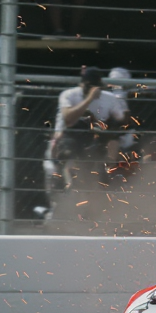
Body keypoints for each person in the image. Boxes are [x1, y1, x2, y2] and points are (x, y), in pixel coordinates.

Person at [49, 66, 129, 219]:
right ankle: (65, 205)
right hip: (67, 142)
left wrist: (120, 100)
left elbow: (120, 123)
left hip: (93, 144)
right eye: (88, 85)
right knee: (69, 165)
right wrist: (89, 99)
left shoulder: (108, 98)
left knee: (104, 151)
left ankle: (94, 211)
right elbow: (68, 119)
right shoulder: (69, 95)